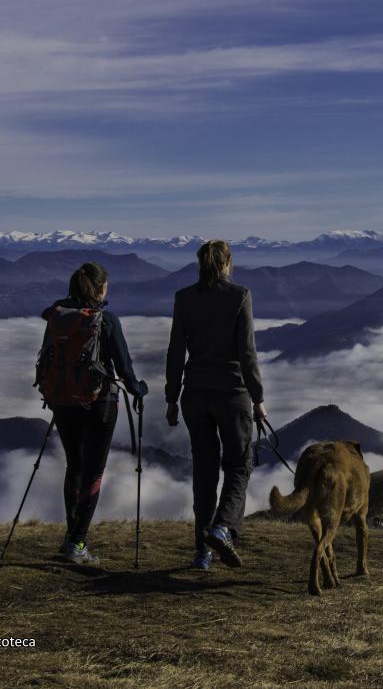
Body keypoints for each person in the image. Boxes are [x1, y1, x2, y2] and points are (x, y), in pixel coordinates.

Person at [165, 239, 267, 570]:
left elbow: (176, 351)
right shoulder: (240, 295)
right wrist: (258, 397)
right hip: (232, 394)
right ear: (228, 263)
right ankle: (222, 529)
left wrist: (171, 397)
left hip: (194, 395)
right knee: (239, 465)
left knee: (204, 474)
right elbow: (247, 353)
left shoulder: (184, 298)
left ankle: (201, 553)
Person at [43, 262, 148, 565]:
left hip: (62, 402)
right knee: (93, 472)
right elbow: (126, 371)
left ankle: (71, 536)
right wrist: (140, 389)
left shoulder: (57, 317)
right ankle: (76, 542)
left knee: (73, 466)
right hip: (99, 404)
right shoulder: (107, 320)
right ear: (101, 288)